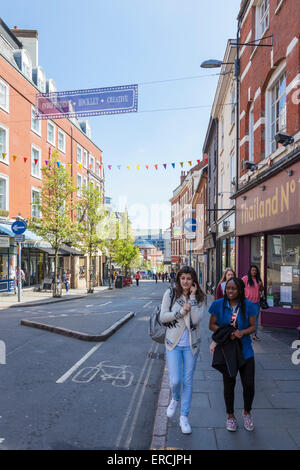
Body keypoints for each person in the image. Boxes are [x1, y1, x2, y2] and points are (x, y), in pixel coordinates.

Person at [160, 266, 206, 434]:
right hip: (173, 344)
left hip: (191, 346)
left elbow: (195, 319)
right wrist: (180, 312)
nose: (186, 281)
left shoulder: (200, 297)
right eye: (183, 278)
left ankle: (184, 417)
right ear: (179, 279)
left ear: (193, 280)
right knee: (175, 381)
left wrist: (192, 297)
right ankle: (175, 398)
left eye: (189, 278)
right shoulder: (170, 294)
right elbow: (163, 317)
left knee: (188, 382)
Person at [209, 277, 257, 432]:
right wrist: (226, 332)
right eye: (228, 288)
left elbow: (253, 327)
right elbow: (212, 325)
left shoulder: (248, 306)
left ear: (240, 290)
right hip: (227, 351)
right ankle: (230, 417)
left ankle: (247, 413)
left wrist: (242, 332)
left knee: (248, 385)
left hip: (245, 350)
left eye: (233, 288)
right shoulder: (218, 304)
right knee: (229, 385)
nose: (229, 291)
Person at [242, 265, 264, 341]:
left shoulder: (258, 280)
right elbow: (240, 287)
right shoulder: (245, 278)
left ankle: (254, 335)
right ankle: (245, 333)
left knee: (255, 319)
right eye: (252, 270)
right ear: (250, 271)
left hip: (256, 302)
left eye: (255, 270)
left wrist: (261, 285)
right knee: (246, 318)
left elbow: (261, 290)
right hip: (247, 302)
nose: (254, 272)